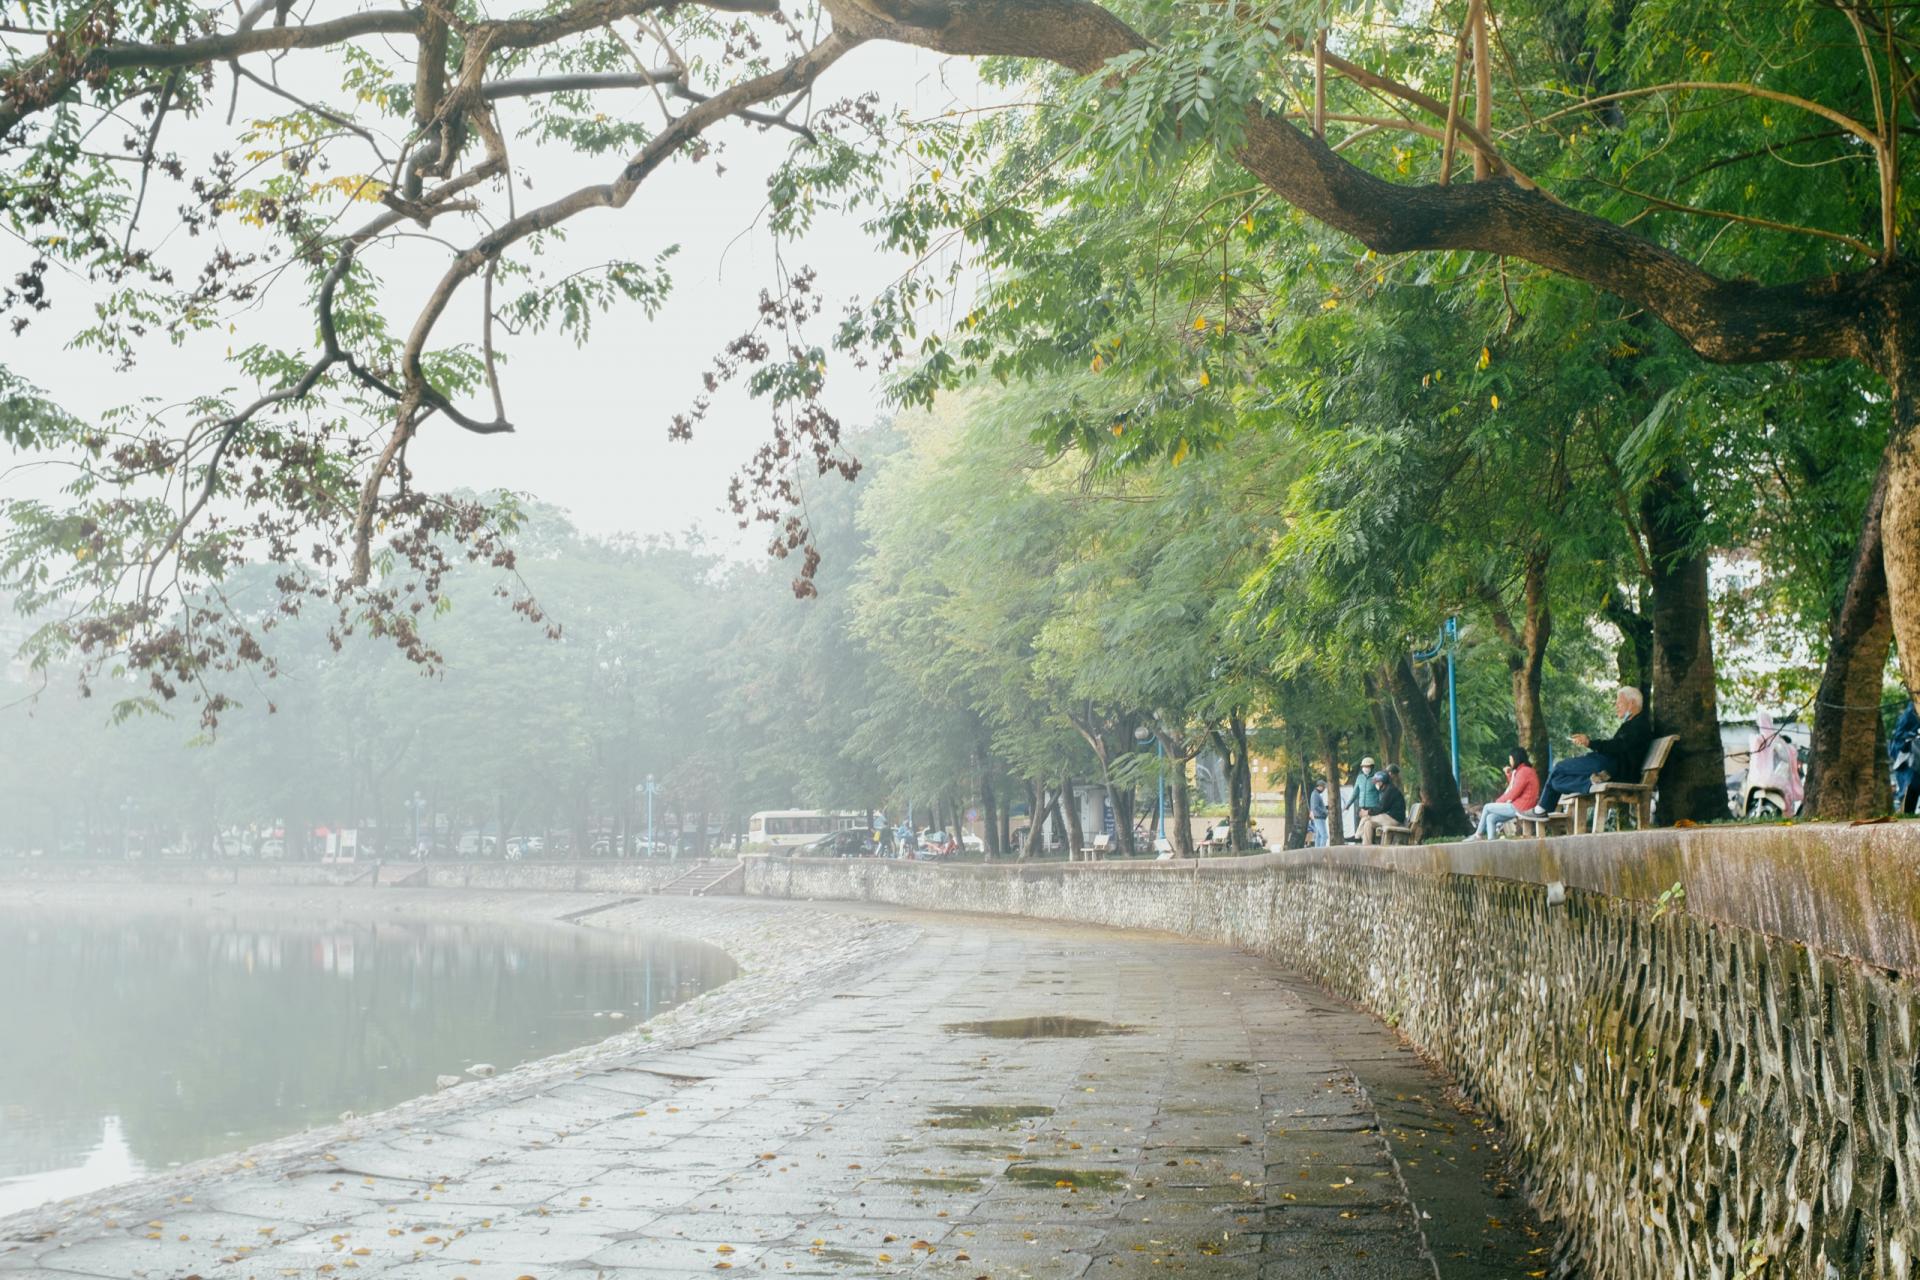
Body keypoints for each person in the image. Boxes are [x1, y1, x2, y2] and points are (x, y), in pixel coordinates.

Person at [1529, 687, 1652, 816]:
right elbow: (1618, 746)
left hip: (1608, 767)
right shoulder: (1633, 724)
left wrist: (1590, 743)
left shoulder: (1639, 725)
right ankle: (1590, 782)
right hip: (1610, 767)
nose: (1616, 706)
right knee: (1556, 781)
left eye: (1619, 703)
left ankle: (1540, 809)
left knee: (1559, 767)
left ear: (1631, 703)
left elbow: (1617, 746)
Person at [1469, 747, 1539, 840]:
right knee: (1491, 818)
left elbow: (1513, 792)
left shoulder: (1524, 771)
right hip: (1523, 806)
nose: (1510, 762)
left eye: (1510, 759)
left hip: (1520, 807)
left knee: (1487, 807)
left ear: (1516, 758)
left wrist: (1498, 801)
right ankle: (1492, 843)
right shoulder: (1526, 770)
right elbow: (1516, 786)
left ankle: (1478, 835)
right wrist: (1509, 775)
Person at [1358, 770, 1406, 845]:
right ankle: (1366, 846)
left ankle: (1357, 836)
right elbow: (1381, 807)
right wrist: (1369, 811)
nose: (1375, 784)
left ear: (1381, 782)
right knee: (1368, 823)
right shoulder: (1387, 789)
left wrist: (1367, 812)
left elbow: (1381, 808)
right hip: (1390, 817)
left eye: (1376, 782)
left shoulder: (1390, 790)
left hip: (1394, 819)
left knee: (1367, 817)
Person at [1891, 701, 1918, 814]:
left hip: (1913, 759)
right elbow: (1899, 736)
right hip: (1907, 758)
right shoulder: (1910, 712)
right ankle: (1905, 812)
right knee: (1909, 787)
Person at [1351, 758, 1381, 839]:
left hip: (1373, 807)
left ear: (1372, 767)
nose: (1365, 768)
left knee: (1368, 825)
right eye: (1364, 766)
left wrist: (1380, 805)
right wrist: (1347, 805)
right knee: (1365, 826)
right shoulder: (1359, 778)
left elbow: (1380, 792)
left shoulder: (1376, 778)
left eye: (1367, 766)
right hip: (1362, 807)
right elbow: (1355, 793)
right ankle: (1361, 839)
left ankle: (1358, 836)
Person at [1309, 779, 1329, 847]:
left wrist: (1325, 807)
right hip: (1319, 817)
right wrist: (1325, 812)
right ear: (1320, 786)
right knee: (1324, 836)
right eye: (1324, 787)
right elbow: (1315, 807)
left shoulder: (1316, 794)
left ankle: (1317, 850)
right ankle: (1321, 850)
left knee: (1318, 836)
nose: (1324, 789)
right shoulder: (1315, 794)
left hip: (1318, 817)